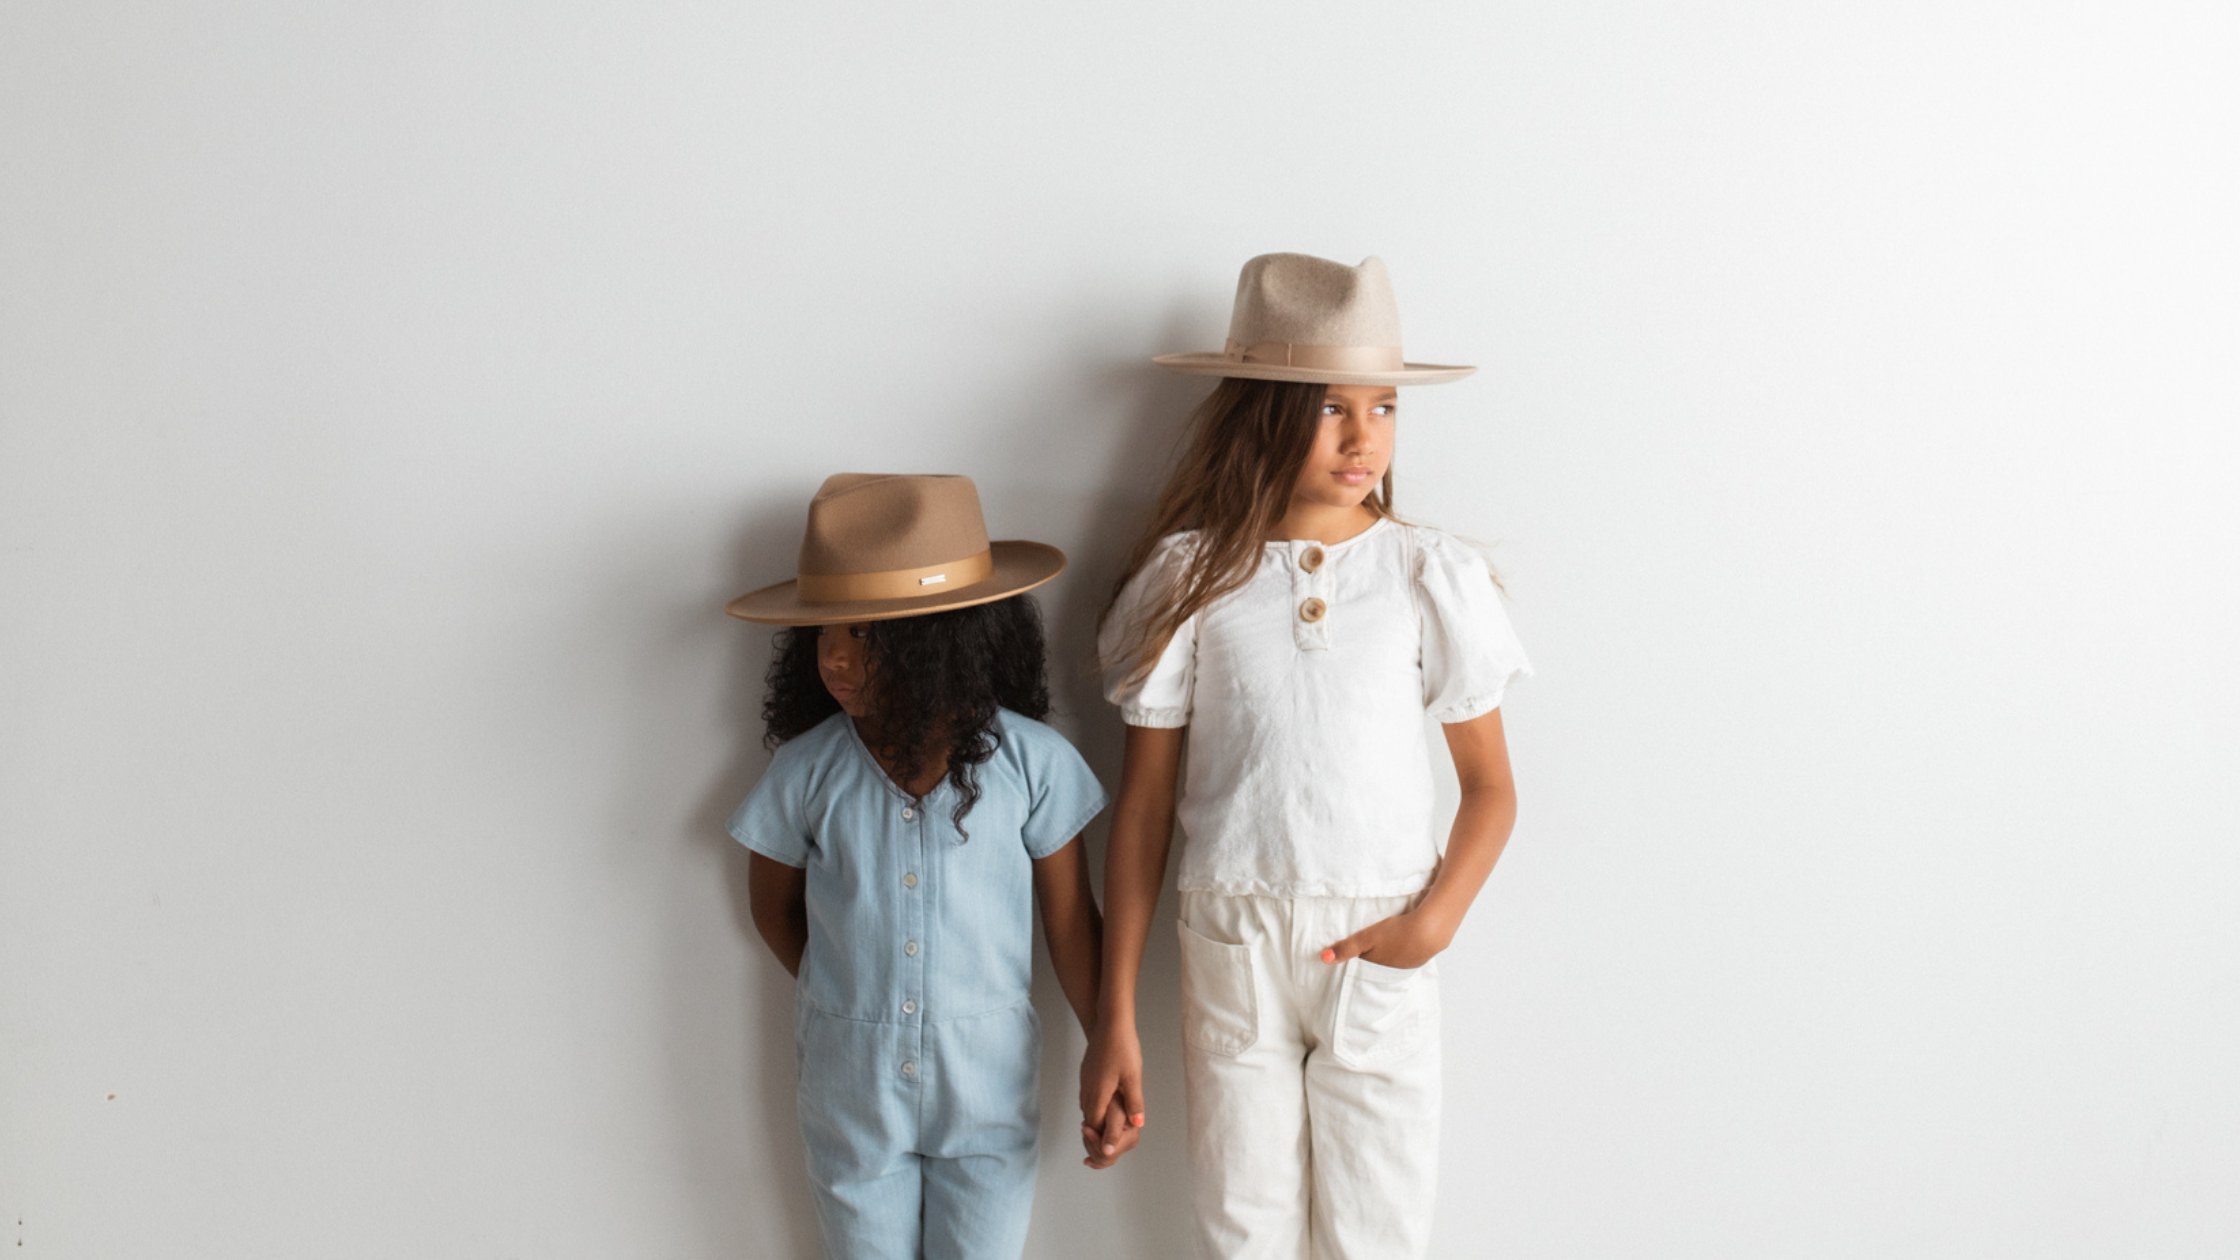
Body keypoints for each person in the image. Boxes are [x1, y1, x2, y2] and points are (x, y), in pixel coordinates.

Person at [1081, 254, 1533, 1258]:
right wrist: (1112, 1014)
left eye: (1381, 408)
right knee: (1241, 1233)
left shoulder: (1424, 573)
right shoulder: (1190, 577)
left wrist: (1435, 921)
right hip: (1230, 943)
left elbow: (1490, 788)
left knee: (1376, 1235)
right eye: (1330, 408)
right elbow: (1144, 810)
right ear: (1261, 415)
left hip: (1379, 934)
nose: (1362, 436)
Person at [728, 473, 1134, 1260]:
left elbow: (1070, 926)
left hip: (987, 1088)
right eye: (826, 633)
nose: (837, 658)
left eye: (869, 636)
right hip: (851, 1090)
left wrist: (1107, 1043)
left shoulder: (1033, 764)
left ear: (944, 637)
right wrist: (850, 994)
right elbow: (773, 908)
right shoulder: (807, 772)